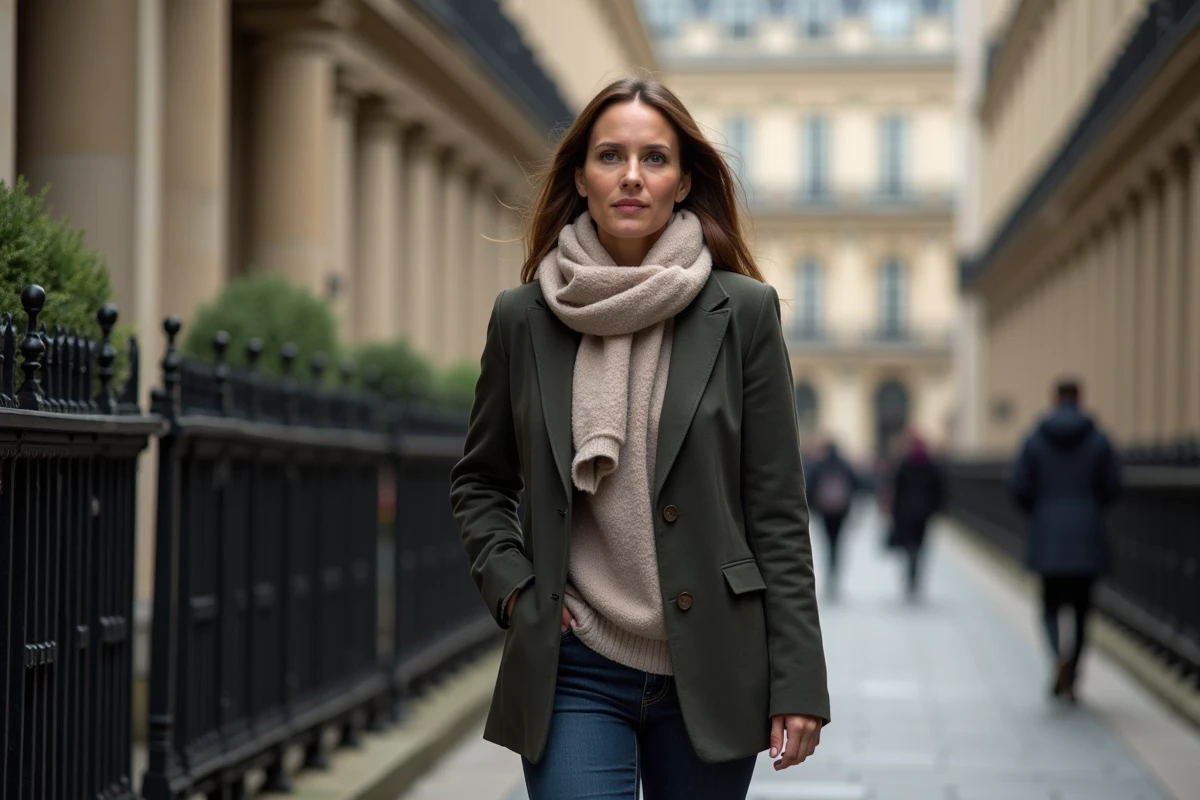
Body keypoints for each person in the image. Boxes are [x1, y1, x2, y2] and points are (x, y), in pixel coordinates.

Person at [450, 78, 830, 799]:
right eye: (610, 156)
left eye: (654, 158)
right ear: (580, 177)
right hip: (574, 666)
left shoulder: (743, 313)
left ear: (684, 181)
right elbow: (481, 481)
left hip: (713, 664)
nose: (631, 175)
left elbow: (776, 509)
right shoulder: (523, 319)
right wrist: (515, 589)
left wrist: (799, 678)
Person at [1010, 379, 1120, 702]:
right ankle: (1073, 672)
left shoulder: (1034, 439)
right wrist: (1090, 508)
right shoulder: (1099, 440)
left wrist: (1041, 511)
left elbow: (1019, 487)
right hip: (1087, 530)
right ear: (1080, 399)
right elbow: (1113, 486)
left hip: (1048, 531)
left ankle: (1058, 652)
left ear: (1054, 399)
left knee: (1049, 604)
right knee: (1084, 608)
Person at [889, 431, 944, 599]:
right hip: (924, 512)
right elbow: (939, 488)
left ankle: (910, 575)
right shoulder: (931, 463)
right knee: (919, 547)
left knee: (908, 547)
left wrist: (893, 511)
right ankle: (915, 576)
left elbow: (896, 488)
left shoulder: (904, 463)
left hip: (905, 512)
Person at [805, 439, 860, 595]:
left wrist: (813, 506)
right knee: (837, 543)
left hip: (825, 511)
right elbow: (856, 483)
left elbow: (809, 485)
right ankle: (835, 572)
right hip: (841, 511)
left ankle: (830, 573)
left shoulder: (819, 464)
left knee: (827, 542)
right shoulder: (844, 464)